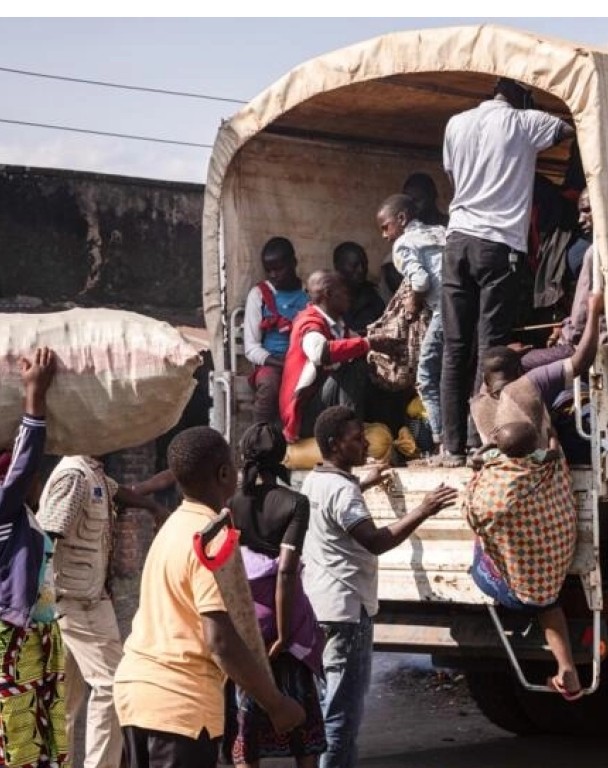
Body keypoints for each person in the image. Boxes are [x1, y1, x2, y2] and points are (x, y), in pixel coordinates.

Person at [113, 426, 305, 768]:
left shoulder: (173, 527)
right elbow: (220, 641)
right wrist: (275, 704)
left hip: (136, 693)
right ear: (224, 474)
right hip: (180, 705)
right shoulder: (213, 537)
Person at [301, 405, 457, 768]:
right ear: (334, 444)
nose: (365, 444)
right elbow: (375, 541)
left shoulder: (315, 481)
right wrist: (423, 509)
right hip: (347, 611)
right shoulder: (343, 492)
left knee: (328, 705)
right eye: (356, 440)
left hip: (320, 606)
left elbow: (337, 500)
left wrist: (364, 482)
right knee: (342, 714)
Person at [440, 76, 576, 467]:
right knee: (490, 350)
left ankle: (450, 447)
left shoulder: (456, 123)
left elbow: (453, 173)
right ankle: (479, 439)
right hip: (497, 245)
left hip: (457, 240)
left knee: (455, 347)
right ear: (522, 95)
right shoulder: (525, 121)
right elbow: (571, 127)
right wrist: (533, 106)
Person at [0, 347, 68, 768]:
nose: (40, 476)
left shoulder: (23, 517)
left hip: (29, 646)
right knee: (7, 752)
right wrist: (34, 394)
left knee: (37, 752)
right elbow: (23, 465)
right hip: (0, 644)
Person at [36, 457, 169, 768]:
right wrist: (41, 603)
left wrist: (154, 506)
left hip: (84, 600)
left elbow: (117, 492)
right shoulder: (73, 476)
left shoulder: (91, 472)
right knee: (113, 685)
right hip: (76, 602)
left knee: (66, 698)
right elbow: (45, 537)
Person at [229, 423, 326, 768]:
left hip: (246, 619)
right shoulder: (295, 503)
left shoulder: (231, 503)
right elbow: (285, 571)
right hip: (288, 618)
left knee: (246, 715)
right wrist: (285, 635)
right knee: (303, 723)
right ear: (283, 456)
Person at [464, 420, 582, 700]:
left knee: (480, 542)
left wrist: (487, 450)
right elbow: (554, 449)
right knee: (546, 601)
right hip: (554, 570)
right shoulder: (552, 466)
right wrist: (552, 436)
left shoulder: (492, 488)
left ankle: (510, 591)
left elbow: (471, 509)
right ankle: (568, 670)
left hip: (520, 592)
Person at [471, 292, 604, 452]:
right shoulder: (529, 384)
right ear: (520, 371)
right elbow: (582, 360)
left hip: (502, 471)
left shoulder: (478, 403)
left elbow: (492, 374)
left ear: (485, 380)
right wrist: (594, 311)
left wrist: (508, 354)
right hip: (543, 470)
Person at [278, 270, 400, 443]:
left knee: (371, 368)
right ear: (328, 294)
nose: (349, 297)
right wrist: (367, 343)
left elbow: (355, 341)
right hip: (303, 415)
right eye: (344, 292)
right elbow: (321, 353)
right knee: (352, 369)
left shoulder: (337, 324)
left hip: (322, 404)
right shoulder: (309, 322)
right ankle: (352, 436)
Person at [376, 193, 446, 454]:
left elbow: (421, 281)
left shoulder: (403, 244)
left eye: (386, 227)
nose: (384, 235)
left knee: (426, 377)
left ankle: (441, 442)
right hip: (462, 310)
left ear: (402, 219)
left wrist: (412, 302)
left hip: (443, 312)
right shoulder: (440, 232)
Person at [522, 187, 605, 372]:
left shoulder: (594, 253)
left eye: (586, 211)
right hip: (586, 336)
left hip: (585, 343)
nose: (580, 219)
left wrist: (566, 337)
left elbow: (581, 320)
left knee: (515, 364)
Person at [243, 238, 310, 426]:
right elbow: (251, 347)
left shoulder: (309, 293)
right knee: (269, 385)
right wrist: (283, 364)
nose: (273, 274)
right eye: (268, 270)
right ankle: (258, 437)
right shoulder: (259, 295)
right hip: (273, 363)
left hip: (305, 361)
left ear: (294, 263)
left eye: (279, 268)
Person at [332, 242, 385, 336]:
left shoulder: (373, 296)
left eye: (364, 264)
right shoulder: (328, 299)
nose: (361, 270)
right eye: (354, 266)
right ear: (338, 267)